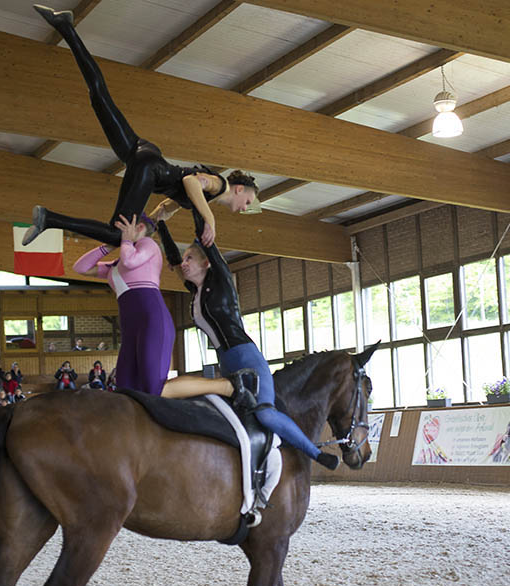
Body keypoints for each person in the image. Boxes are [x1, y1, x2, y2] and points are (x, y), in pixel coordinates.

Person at [22, 4, 260, 253]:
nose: (246, 207)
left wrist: (149, 224)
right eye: (248, 201)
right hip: (150, 168)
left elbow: (166, 207)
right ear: (239, 189)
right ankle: (48, 219)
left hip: (143, 152)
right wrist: (209, 219)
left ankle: (65, 27)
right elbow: (190, 181)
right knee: (116, 236)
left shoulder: (205, 197)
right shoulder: (219, 185)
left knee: (99, 98)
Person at [157, 218, 339, 470]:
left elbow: (204, 232)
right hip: (227, 363)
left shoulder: (219, 279)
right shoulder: (196, 291)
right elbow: (173, 261)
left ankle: (316, 455)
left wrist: (195, 195)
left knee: (264, 413)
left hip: (247, 360)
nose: (183, 264)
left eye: (190, 259)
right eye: (184, 259)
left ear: (206, 262)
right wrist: (161, 225)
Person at [72, 214, 173, 393]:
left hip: (152, 321)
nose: (119, 233)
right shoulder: (115, 266)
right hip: (130, 329)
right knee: (124, 386)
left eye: (122, 228)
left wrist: (126, 240)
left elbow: (130, 261)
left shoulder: (149, 244)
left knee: (151, 383)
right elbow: (80, 268)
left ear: (139, 227)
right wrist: (109, 246)